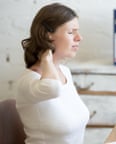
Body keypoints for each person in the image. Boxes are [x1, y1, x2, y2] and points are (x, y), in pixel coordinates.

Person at [15, 3, 89, 144]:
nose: (79, 38)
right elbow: (52, 89)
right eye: (70, 32)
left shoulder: (65, 72)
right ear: (47, 35)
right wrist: (46, 58)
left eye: (77, 31)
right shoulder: (28, 82)